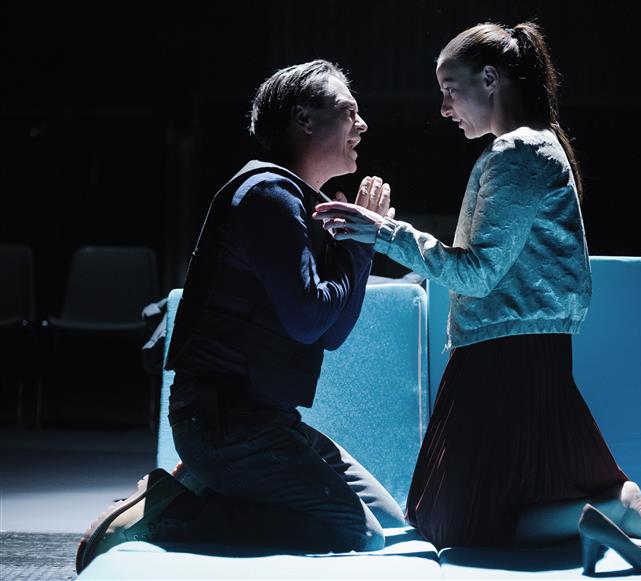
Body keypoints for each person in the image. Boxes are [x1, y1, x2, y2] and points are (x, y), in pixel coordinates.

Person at [312, 21, 641, 573]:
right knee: (445, 517)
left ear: (490, 79)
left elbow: (478, 273)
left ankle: (612, 508)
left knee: (452, 522)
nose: (444, 108)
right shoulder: (528, 149)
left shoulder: (519, 153)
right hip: (510, 347)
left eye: (450, 89)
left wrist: (384, 232)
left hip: (508, 354)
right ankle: (606, 509)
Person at [75, 59, 404, 574]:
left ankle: (206, 485)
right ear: (304, 119)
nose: (362, 125)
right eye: (348, 111)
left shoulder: (298, 201)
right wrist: (359, 246)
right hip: (225, 423)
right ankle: (177, 512)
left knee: (388, 520)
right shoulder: (267, 194)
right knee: (357, 533)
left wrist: (357, 244)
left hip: (266, 420)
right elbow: (309, 321)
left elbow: (331, 333)